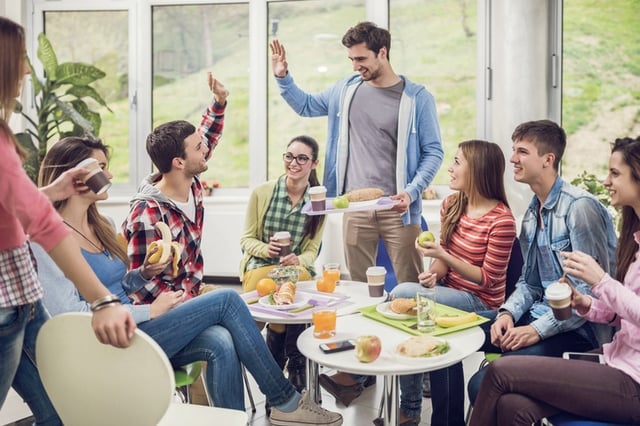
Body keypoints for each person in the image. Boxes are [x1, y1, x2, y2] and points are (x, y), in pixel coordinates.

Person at [34, 136, 343, 425]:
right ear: (73, 175)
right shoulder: (45, 240)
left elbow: (113, 289)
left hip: (136, 329)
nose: (111, 175)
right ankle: (285, 402)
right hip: (110, 342)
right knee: (227, 300)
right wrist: (149, 311)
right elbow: (68, 316)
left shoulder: (102, 224)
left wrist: (142, 276)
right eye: (101, 168)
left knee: (220, 341)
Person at [271, 21, 444, 418]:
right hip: (355, 210)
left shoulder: (416, 97)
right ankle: (363, 371)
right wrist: (283, 78)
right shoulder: (346, 90)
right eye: (351, 58)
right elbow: (305, 105)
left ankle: (418, 374)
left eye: (362, 58)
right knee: (359, 294)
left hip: (398, 209)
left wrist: (412, 191)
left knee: (410, 291)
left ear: (383, 52)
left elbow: (434, 152)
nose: (356, 65)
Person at [0, 16, 134, 425]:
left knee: (63, 408)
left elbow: (14, 206)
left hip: (20, 299)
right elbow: (41, 223)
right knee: (62, 409)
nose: (26, 69)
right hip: (6, 300)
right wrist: (103, 300)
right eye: (20, 59)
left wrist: (50, 192)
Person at [469, 135, 640, 426]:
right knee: (513, 406)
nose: (606, 181)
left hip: (631, 377)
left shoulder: (580, 208)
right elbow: (618, 313)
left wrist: (600, 282)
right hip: (615, 356)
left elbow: (614, 295)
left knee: (498, 373)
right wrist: (584, 302)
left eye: (615, 173)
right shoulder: (633, 238)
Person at [389, 140, 517, 426]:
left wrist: (442, 254)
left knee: (400, 294)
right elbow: (445, 259)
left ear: (478, 170)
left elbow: (487, 279)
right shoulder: (452, 203)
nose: (450, 168)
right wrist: (433, 272)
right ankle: (413, 411)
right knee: (416, 319)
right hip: (449, 294)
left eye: (458, 162)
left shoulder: (502, 220)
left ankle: (409, 410)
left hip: (482, 305)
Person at [122, 72, 228, 302]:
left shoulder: (191, 182)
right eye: (200, 148)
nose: (206, 151)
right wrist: (189, 304)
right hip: (169, 307)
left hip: (193, 289)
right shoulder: (146, 214)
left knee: (244, 307)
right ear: (179, 162)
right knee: (223, 331)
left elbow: (207, 135)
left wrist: (219, 101)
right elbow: (142, 285)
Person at [239, 135, 326, 394]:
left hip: (294, 270)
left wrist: (299, 259)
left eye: (302, 158)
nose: (293, 163)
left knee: (295, 278)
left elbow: (312, 251)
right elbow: (246, 239)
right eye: (289, 156)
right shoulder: (262, 192)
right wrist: (267, 248)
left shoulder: (318, 202)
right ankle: (295, 365)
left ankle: (278, 368)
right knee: (295, 285)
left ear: (314, 163)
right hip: (259, 266)